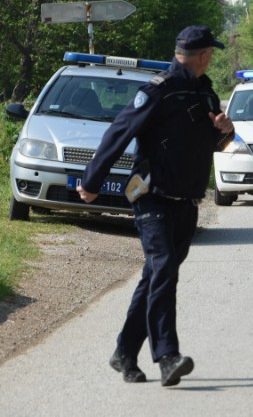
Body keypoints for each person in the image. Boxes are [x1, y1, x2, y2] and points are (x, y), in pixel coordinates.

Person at [78, 26, 234, 386]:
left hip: (187, 201)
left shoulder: (206, 92)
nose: (212, 57)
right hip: (152, 197)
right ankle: (167, 357)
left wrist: (227, 130)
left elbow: (216, 141)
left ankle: (124, 352)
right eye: (211, 51)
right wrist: (92, 180)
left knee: (154, 278)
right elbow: (119, 131)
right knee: (163, 269)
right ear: (204, 54)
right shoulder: (157, 91)